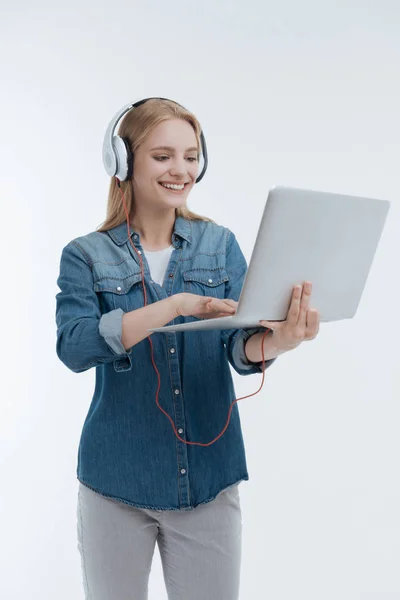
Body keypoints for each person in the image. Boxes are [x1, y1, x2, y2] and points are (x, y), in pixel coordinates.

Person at [55, 98, 320, 600]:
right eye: (162, 156)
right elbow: (74, 347)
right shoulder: (85, 255)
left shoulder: (219, 245)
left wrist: (279, 340)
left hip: (209, 482)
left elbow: (242, 348)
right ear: (122, 162)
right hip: (116, 479)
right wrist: (174, 304)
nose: (181, 170)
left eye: (191, 155)